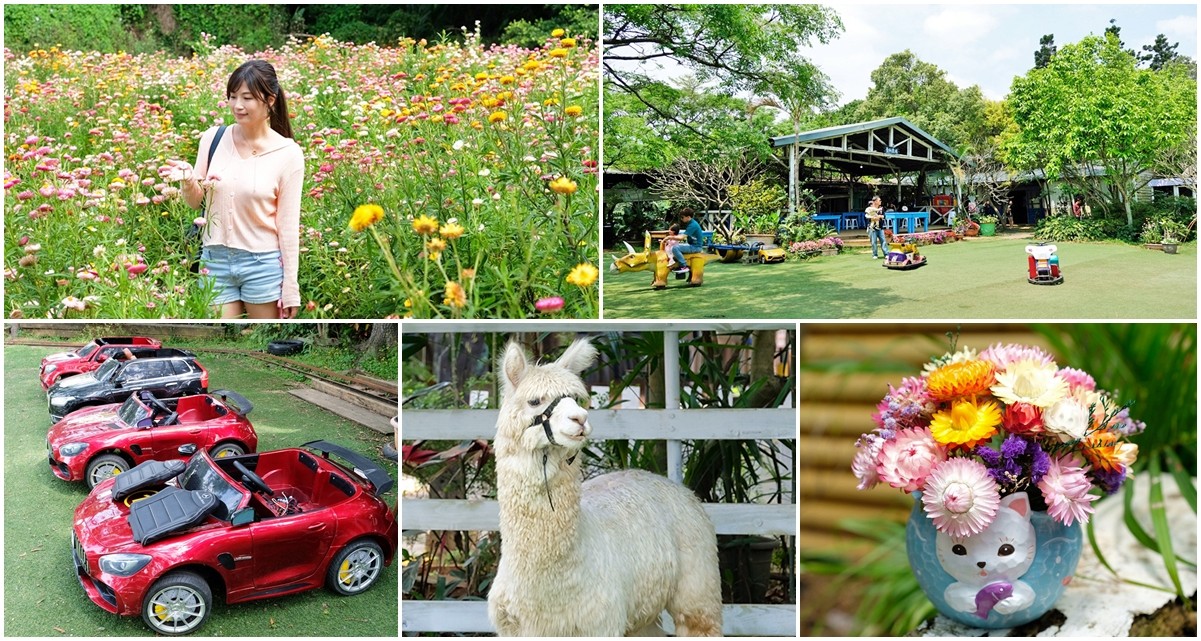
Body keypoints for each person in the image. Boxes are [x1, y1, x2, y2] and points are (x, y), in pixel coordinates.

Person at [170, 60, 304, 319]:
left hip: (263, 263)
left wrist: (291, 286)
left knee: (265, 335)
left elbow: (288, 225)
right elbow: (197, 203)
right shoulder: (213, 138)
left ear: (270, 100)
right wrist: (187, 180)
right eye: (232, 97)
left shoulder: (288, 153)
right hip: (214, 260)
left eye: (247, 98)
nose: (237, 105)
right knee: (218, 329)